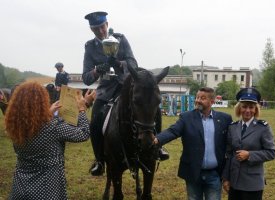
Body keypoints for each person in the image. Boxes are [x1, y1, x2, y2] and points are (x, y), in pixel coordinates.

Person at [82, 11, 168, 176]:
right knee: (95, 120)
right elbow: (86, 78)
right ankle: (99, 160)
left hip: (127, 85)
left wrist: (119, 64)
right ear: (91, 30)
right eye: (96, 29)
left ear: (107, 24)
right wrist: (97, 70)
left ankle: (158, 146)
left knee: (152, 107)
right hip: (106, 89)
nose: (100, 31)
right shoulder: (90, 47)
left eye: (102, 27)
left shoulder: (120, 39)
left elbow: (133, 63)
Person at [5, 81, 95, 200]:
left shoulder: (15, 126)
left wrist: (48, 113)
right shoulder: (52, 126)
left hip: (20, 188)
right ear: (41, 103)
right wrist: (82, 108)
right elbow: (83, 134)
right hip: (47, 189)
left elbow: (34, 124)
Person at [154, 87, 232, 200]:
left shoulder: (225, 119)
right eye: (197, 97)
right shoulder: (186, 117)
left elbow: (232, 139)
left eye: (203, 98)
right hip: (193, 173)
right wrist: (157, 139)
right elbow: (173, 131)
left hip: (215, 174)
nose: (198, 100)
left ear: (212, 101)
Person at [222, 88, 275, 200]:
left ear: (255, 109)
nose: (248, 110)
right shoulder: (232, 127)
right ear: (239, 108)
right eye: (244, 106)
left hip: (253, 184)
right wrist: (226, 178)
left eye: (251, 107)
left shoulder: (263, 128)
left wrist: (249, 155)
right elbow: (228, 155)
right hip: (234, 181)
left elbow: (271, 152)